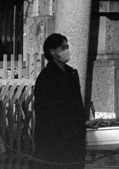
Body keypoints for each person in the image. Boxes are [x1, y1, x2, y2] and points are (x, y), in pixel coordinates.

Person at [33, 33, 87, 169]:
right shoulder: (46, 77)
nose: (66, 51)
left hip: (73, 134)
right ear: (52, 52)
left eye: (67, 47)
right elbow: (44, 110)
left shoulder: (71, 73)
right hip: (54, 136)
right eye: (63, 47)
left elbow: (77, 104)